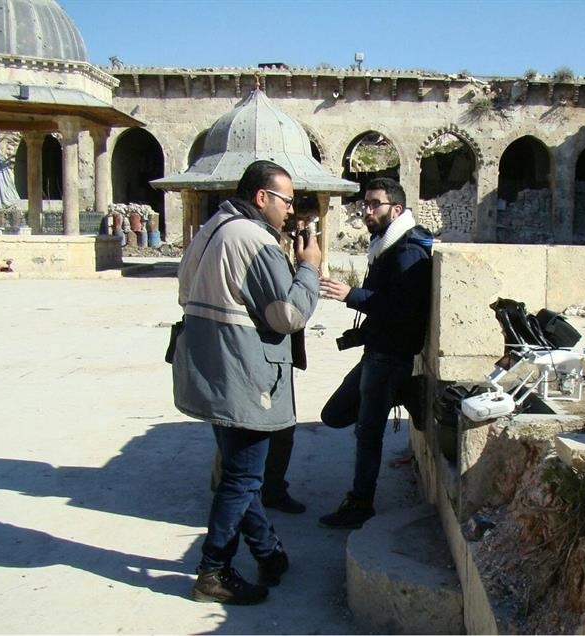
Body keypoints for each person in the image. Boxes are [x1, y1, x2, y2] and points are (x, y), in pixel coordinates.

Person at [172, 160, 321, 604]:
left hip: (212, 369)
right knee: (241, 478)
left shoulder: (214, 226)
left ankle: (268, 551)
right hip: (245, 374)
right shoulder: (253, 239)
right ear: (262, 198)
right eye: (286, 201)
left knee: (241, 474)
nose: (289, 211)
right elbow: (288, 315)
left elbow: (184, 291)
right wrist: (308, 266)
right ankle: (213, 570)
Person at [318, 177, 433, 529]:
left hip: (391, 355)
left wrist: (351, 295)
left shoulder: (407, 252)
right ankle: (402, 390)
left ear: (395, 210)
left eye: (374, 204)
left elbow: (403, 310)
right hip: (377, 352)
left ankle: (360, 502)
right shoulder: (385, 245)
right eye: (364, 203)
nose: (366, 210)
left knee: (368, 435)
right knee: (334, 414)